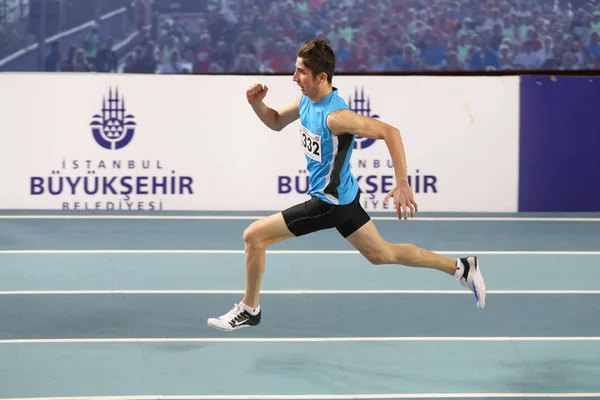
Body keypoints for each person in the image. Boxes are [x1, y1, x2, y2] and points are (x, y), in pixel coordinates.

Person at [207, 38, 486, 331]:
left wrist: (402, 182)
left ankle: (250, 309)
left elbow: (390, 132)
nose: (293, 77)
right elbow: (276, 121)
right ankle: (461, 267)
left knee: (254, 236)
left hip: (328, 204)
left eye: (301, 71)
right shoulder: (306, 101)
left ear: (321, 77)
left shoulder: (337, 116)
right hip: (346, 198)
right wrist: (257, 104)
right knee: (382, 254)